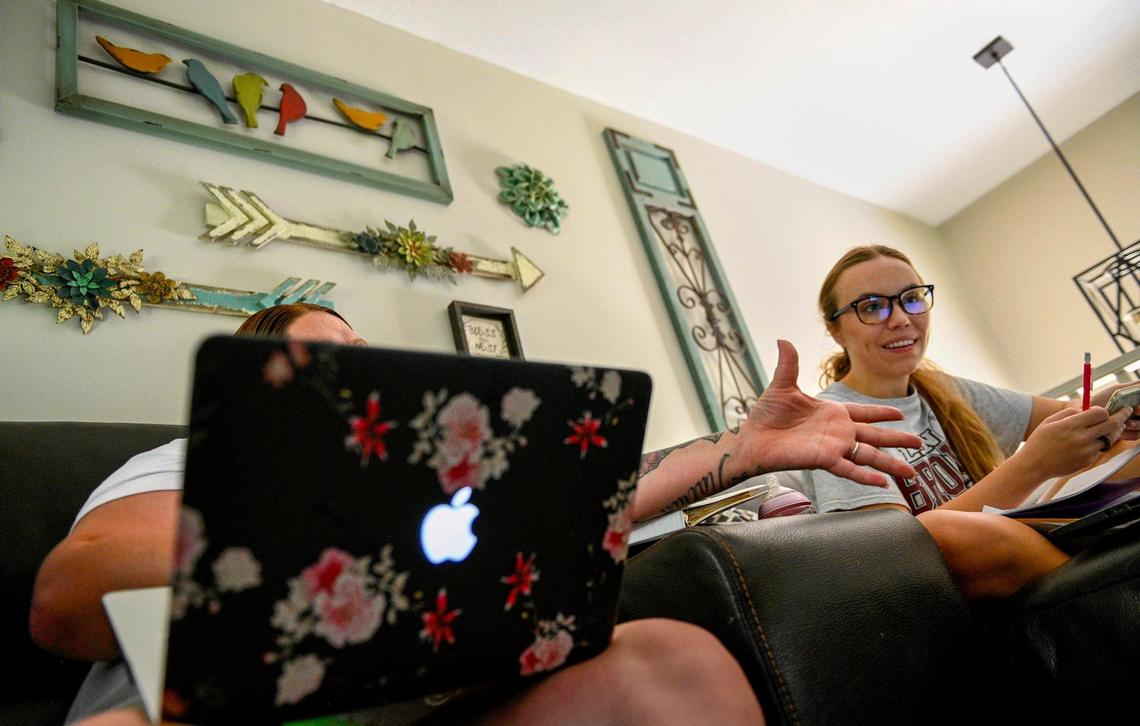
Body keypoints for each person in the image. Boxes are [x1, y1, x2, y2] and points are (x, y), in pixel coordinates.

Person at [31, 303, 923, 725]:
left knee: (671, 666)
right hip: (211, 712)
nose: (363, 362)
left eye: (364, 346)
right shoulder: (193, 459)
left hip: (420, 709)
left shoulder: (430, 482)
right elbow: (72, 599)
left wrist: (741, 450)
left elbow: (588, 507)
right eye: (332, 350)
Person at [793, 244, 1133, 600]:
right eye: (872, 306)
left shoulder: (941, 389)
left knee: (1127, 444)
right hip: (957, 575)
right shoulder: (832, 422)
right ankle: (1112, 590)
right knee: (942, 531)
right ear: (835, 330)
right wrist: (1032, 465)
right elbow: (896, 552)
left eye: (912, 298)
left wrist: (1109, 407)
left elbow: (1067, 414)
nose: (900, 319)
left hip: (1022, 538)